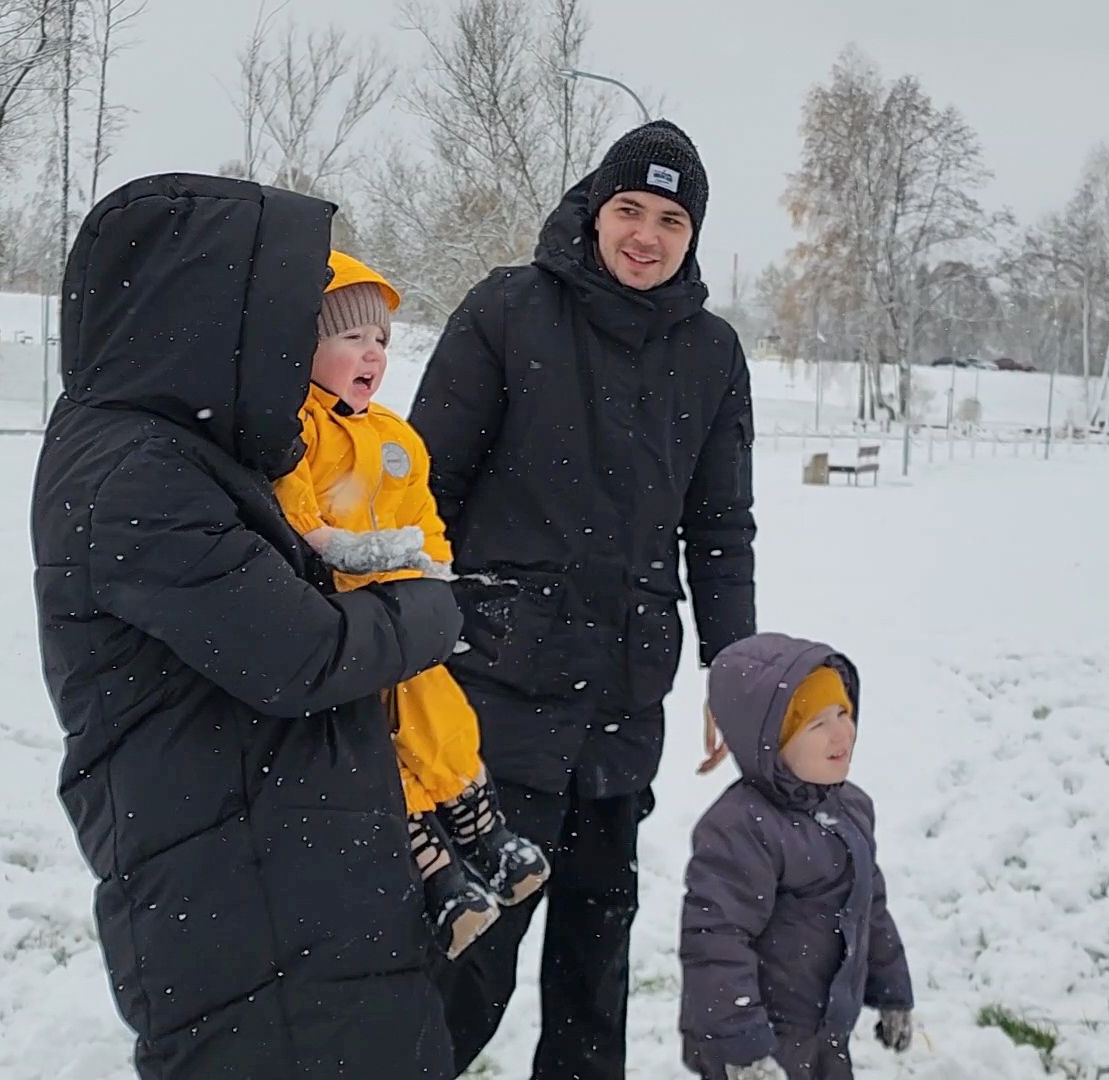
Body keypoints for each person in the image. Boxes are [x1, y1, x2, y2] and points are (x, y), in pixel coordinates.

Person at [31, 174, 463, 1079]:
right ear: (209, 310)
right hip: (243, 907)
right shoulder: (137, 473)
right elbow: (300, 652)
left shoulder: (179, 446)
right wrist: (428, 606)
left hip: (284, 880)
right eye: (290, 313)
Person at [409, 119, 757, 1077]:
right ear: (593, 212)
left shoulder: (714, 355)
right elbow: (424, 488)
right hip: (498, 686)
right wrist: (407, 637)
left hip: (623, 698)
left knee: (595, 963)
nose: (645, 235)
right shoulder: (510, 310)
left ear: (694, 236)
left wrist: (734, 669)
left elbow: (721, 528)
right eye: (628, 210)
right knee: (471, 959)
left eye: (671, 220)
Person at [272, 250, 552, 960]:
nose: (371, 353)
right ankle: (431, 862)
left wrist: (435, 574)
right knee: (374, 739)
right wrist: (347, 550)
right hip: (342, 623)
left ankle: (477, 821)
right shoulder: (294, 430)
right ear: (304, 346)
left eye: (382, 341)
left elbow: (424, 519)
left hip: (401, 618)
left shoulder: (397, 438)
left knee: (440, 713)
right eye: (349, 338)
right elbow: (301, 518)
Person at [679, 633, 914, 1080]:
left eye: (843, 712)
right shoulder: (741, 829)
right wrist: (744, 1048)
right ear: (769, 744)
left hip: (825, 1032)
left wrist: (892, 991)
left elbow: (869, 907)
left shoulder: (851, 809)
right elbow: (716, 939)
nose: (841, 732)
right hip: (763, 1041)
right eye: (817, 724)